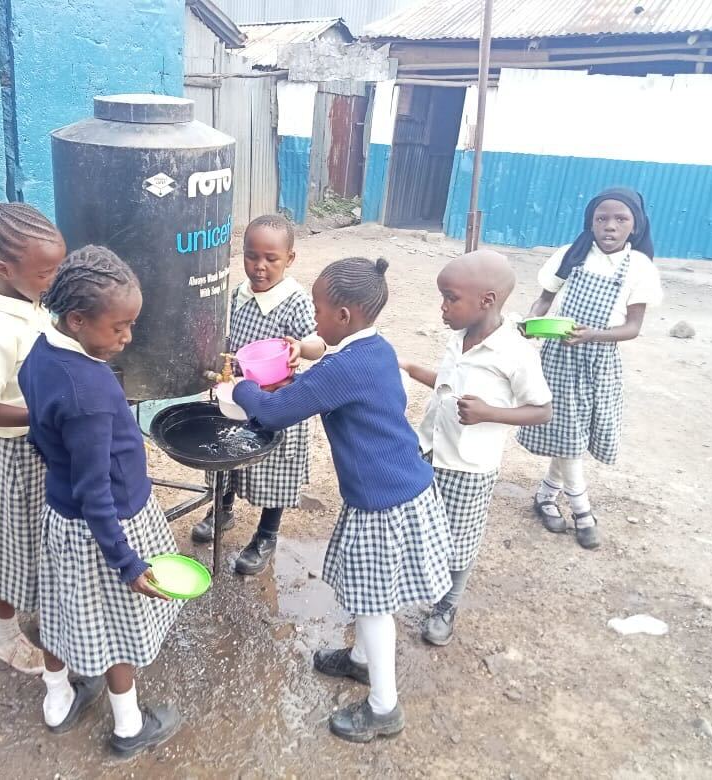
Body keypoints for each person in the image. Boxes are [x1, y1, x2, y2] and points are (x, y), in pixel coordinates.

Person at [232, 257, 451, 743]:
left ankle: (383, 707)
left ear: (345, 316)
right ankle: (357, 661)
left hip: (383, 502)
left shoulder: (342, 366)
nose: (314, 319)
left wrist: (241, 386)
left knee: (375, 604)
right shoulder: (374, 348)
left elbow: (272, 413)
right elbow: (317, 381)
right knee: (370, 586)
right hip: (399, 485)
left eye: (319, 309)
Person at [18, 246, 182, 757]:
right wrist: (127, 562)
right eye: (119, 327)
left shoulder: (40, 355)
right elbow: (95, 493)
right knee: (118, 627)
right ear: (78, 318)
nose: (127, 337)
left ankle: (59, 699)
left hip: (62, 517)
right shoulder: (87, 389)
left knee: (62, 610)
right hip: (108, 525)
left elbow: (40, 432)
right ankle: (130, 727)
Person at [401, 250, 552, 646]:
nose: (443, 307)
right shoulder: (459, 338)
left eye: (451, 298)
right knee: (425, 525)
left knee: (460, 539)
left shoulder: (515, 354)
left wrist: (490, 413)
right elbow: (448, 384)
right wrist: (409, 368)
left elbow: (542, 411)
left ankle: (447, 604)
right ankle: (422, 584)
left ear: (486, 300)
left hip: (470, 466)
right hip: (431, 451)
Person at [516, 187, 662, 550]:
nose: (609, 226)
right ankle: (582, 511)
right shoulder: (571, 255)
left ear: (635, 225)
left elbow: (632, 328)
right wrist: (530, 324)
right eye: (601, 218)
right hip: (559, 359)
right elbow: (545, 299)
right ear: (590, 222)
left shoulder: (640, 268)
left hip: (599, 362)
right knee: (568, 434)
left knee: (574, 436)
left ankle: (546, 496)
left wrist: (593, 335)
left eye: (620, 219)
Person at [0, 197, 66, 673]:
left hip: (42, 449)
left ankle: (49, 609)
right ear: (5, 268)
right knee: (9, 545)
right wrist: (45, 412)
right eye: (47, 273)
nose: (55, 280)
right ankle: (4, 634)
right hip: (10, 457)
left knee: (43, 538)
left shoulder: (34, 302)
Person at [192, 214, 325, 575]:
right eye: (252, 256)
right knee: (227, 456)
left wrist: (300, 347)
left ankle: (267, 533)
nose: (260, 267)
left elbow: (319, 341)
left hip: (277, 401)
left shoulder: (295, 300)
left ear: (290, 259)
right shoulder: (238, 293)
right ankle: (222, 510)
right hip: (237, 394)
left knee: (274, 468)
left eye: (271, 259)